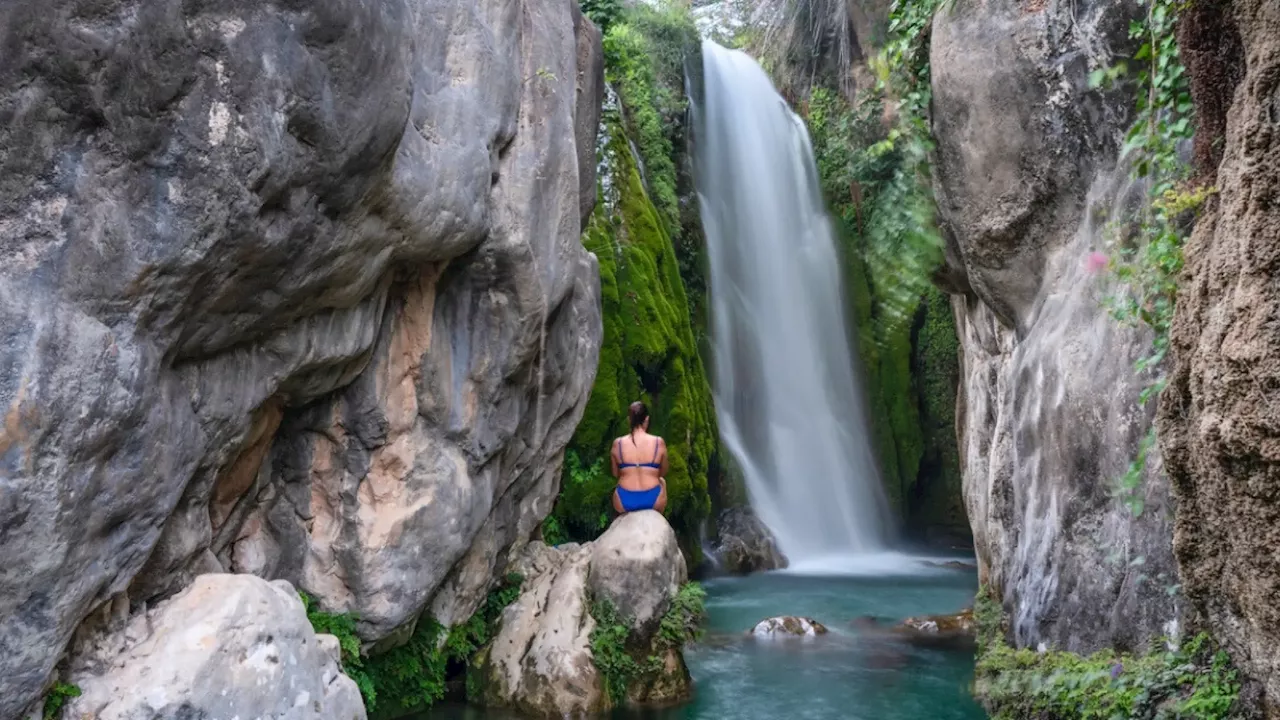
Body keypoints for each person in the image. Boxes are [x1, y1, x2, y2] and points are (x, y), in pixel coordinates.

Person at [611, 401, 668, 514]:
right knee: (662, 481)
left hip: (624, 500)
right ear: (646, 419)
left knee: (619, 483)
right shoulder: (658, 442)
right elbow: (663, 472)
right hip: (652, 499)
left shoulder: (618, 443)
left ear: (629, 420)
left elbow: (615, 474)